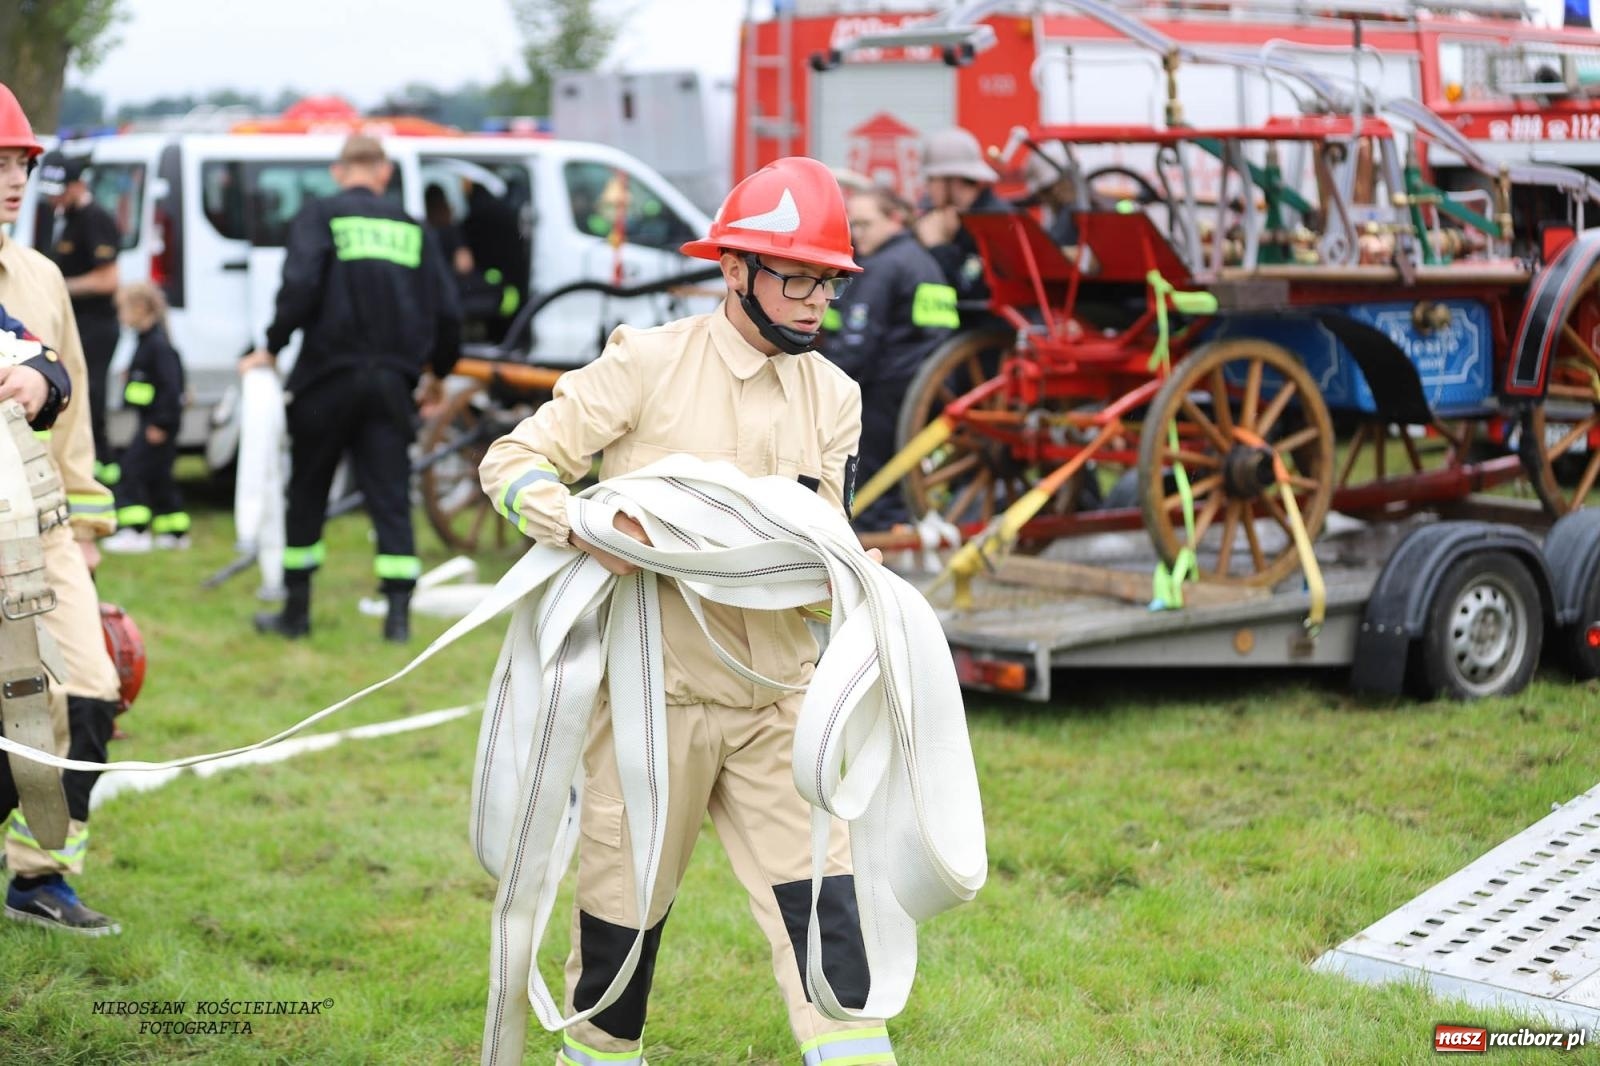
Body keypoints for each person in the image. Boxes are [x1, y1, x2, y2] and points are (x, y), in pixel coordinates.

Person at [478, 155, 897, 1066]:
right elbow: (509, 464)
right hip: (646, 713)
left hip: (777, 709)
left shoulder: (836, 396)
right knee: (615, 967)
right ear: (734, 269)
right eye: (795, 277)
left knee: (835, 943)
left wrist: (852, 575)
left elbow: (824, 536)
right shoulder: (645, 363)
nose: (815, 300)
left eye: (828, 280)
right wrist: (584, 521)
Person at [242, 134, 461, 644]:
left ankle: (295, 613)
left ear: (340, 172)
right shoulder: (413, 229)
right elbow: (448, 313)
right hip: (391, 384)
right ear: (384, 173)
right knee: (389, 495)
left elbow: (298, 287)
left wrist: (272, 346)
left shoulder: (320, 216)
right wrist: (438, 374)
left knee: (308, 491)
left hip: (326, 378)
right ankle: (398, 619)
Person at [0, 81, 123, 935]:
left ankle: (42, 873)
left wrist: (86, 526)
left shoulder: (40, 275)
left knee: (89, 689)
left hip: (40, 521)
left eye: (22, 162)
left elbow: (70, 418)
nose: (14, 179)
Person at [825, 184, 958, 531]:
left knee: (871, 481)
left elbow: (857, 344)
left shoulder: (883, 267)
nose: (857, 233)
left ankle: (877, 544)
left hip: (884, 391)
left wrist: (822, 385)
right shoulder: (924, 261)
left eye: (866, 223)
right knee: (898, 478)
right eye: (853, 224)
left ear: (895, 219)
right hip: (929, 390)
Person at [36, 148, 121, 481]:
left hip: (96, 326)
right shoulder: (59, 217)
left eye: (59, 194)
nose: (53, 201)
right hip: (72, 322)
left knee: (91, 397)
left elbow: (107, 279)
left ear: (75, 187)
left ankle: (102, 471)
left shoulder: (95, 218)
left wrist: (57, 286)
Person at [102, 282, 189, 553]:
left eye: (123, 310)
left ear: (140, 308)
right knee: (159, 477)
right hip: (150, 421)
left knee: (131, 470)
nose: (120, 316)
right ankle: (174, 532)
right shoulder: (146, 342)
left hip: (157, 424)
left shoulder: (157, 345)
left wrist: (161, 424)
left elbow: (171, 389)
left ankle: (135, 532)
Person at [913, 127, 1007, 311]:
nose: (927, 188)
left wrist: (938, 247)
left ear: (953, 180)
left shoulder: (993, 223)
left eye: (932, 179)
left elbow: (967, 289)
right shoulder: (960, 216)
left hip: (987, 332)